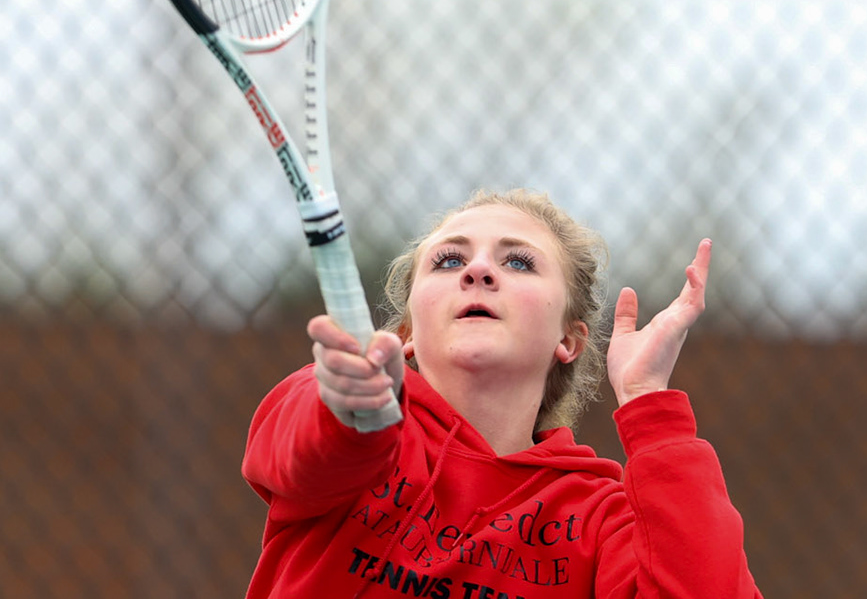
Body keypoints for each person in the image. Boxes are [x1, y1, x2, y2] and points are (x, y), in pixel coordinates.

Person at [241, 188, 762, 598]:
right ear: (407, 335)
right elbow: (304, 450)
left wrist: (648, 401)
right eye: (448, 260)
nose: (478, 270)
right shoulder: (335, 409)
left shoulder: (599, 518)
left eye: (518, 262)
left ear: (568, 338)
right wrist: (350, 414)